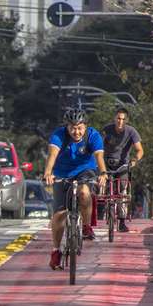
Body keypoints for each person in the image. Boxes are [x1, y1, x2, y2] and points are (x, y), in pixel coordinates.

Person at [43, 107, 108, 271]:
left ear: (85, 126)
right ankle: (56, 251)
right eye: (72, 127)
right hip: (61, 173)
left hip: (84, 171)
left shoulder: (93, 135)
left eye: (79, 128)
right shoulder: (59, 135)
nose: (76, 132)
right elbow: (52, 154)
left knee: (84, 192)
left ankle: (86, 227)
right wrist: (48, 173)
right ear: (67, 126)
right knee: (58, 215)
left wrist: (103, 173)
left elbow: (99, 156)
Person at [101, 108, 144, 232]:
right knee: (103, 187)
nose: (120, 121)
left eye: (123, 119)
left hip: (123, 165)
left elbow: (140, 150)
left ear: (127, 120)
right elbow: (98, 144)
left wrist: (135, 160)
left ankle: (121, 221)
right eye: (118, 118)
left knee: (122, 191)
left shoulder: (131, 132)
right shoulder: (106, 130)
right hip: (107, 164)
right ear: (115, 118)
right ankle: (106, 208)